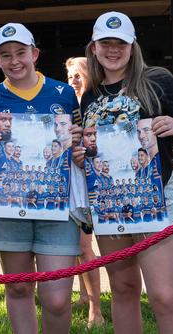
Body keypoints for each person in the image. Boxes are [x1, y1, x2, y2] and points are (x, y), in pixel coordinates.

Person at [71, 11, 173, 333]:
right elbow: (92, 149)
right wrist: (81, 156)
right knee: (124, 289)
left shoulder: (157, 79)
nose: (113, 50)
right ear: (94, 46)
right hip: (109, 204)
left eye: (121, 43)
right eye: (106, 42)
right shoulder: (90, 94)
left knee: (165, 296)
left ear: (133, 47)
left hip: (155, 201)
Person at [0, 22, 83, 332]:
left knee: (57, 299)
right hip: (5, 202)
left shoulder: (64, 93)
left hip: (57, 204)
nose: (14, 61)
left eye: (21, 52)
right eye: (5, 55)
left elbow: (79, 150)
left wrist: (78, 141)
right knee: (20, 288)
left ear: (35, 53)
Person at [65, 57, 104, 327]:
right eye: (69, 77)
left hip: (89, 185)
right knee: (76, 247)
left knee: (83, 246)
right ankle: (82, 295)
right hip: (66, 181)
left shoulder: (97, 105)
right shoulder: (66, 104)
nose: (73, 81)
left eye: (78, 75)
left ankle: (96, 310)